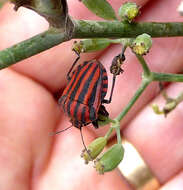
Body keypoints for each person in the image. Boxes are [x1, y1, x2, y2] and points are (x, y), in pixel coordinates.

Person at [0, 0, 183, 189]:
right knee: (74, 78)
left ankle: (113, 71)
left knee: (108, 99)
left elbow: (104, 100)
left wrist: (112, 73)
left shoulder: (90, 114)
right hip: (85, 70)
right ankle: (89, 60)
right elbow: (71, 79)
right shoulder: (66, 104)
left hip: (96, 77)